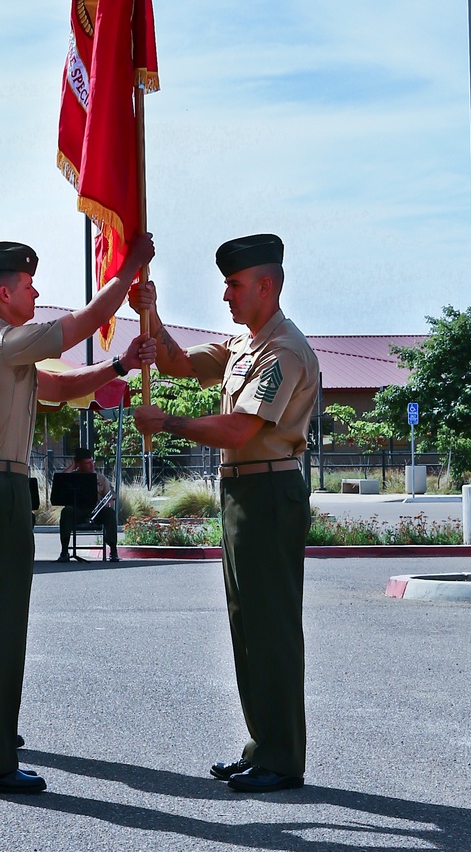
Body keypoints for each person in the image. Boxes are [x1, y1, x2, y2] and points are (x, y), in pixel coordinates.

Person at [0, 233, 155, 796]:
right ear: (5, 291)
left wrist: (116, 367)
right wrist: (131, 265)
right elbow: (83, 322)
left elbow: (56, 388)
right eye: (30, 285)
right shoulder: (8, 340)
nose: (37, 292)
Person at [132, 233, 319, 794]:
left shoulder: (282, 351)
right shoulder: (246, 344)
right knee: (249, 627)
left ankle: (281, 758)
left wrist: (167, 425)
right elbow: (179, 365)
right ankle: (263, 746)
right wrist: (153, 313)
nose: (225, 295)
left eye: (234, 285)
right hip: (244, 494)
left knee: (271, 629)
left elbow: (241, 428)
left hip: (268, 494)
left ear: (267, 285)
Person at [57, 447, 118, 562]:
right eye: (87, 463)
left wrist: (108, 504)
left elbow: (110, 497)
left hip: (96, 511)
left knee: (110, 513)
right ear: (79, 464)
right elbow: (60, 480)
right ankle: (64, 551)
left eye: (92, 462)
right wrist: (73, 466)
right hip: (77, 511)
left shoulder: (100, 478)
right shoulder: (71, 477)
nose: (92, 465)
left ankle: (113, 551)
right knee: (66, 512)